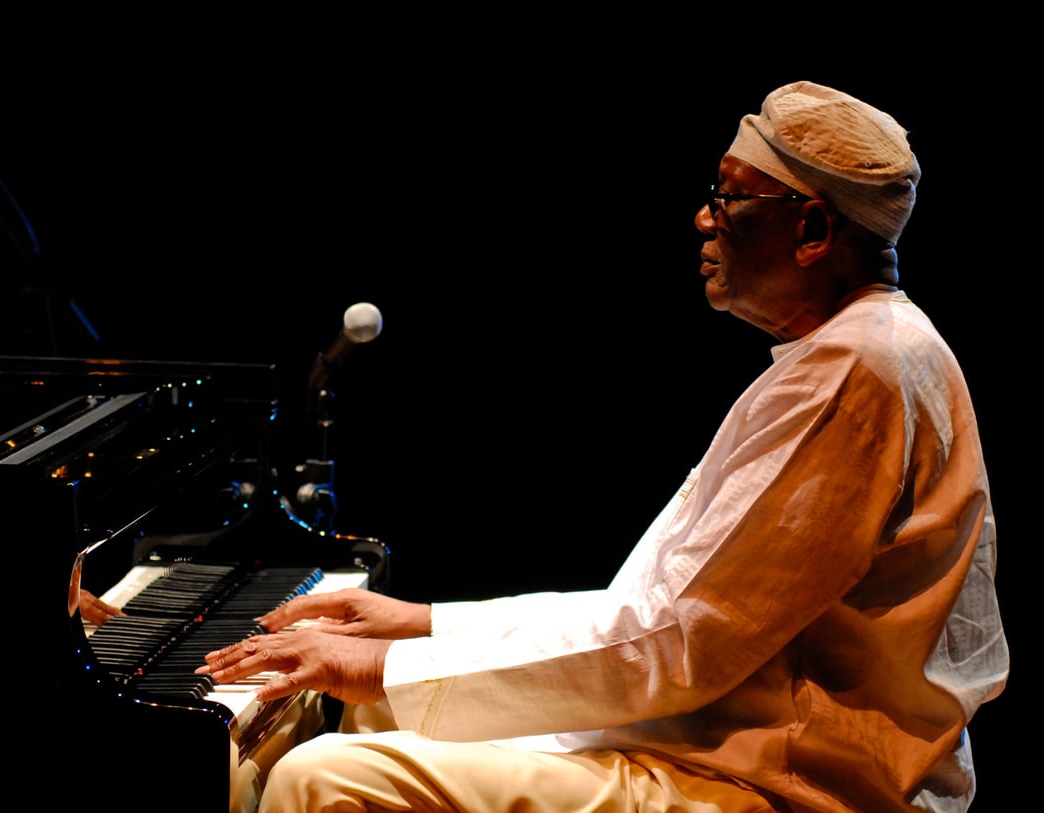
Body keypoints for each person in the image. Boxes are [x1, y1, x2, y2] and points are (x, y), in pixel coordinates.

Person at [195, 81, 1010, 812]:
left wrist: (382, 661)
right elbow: (666, 608)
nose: (702, 217)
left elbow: (676, 644)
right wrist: (420, 624)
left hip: (783, 783)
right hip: (729, 739)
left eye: (727, 198)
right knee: (378, 701)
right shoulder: (859, 350)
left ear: (809, 228)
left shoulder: (854, 369)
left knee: (328, 777)